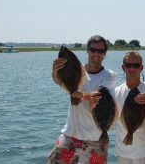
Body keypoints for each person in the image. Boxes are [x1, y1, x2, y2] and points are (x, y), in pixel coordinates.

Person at [47, 35, 117, 164]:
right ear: (87, 50)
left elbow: (100, 96)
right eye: (93, 50)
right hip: (70, 134)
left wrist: (80, 94)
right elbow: (61, 82)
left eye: (100, 51)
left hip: (96, 138)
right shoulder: (76, 69)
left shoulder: (109, 75)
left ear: (105, 54)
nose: (96, 53)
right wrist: (55, 72)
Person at [115, 51, 145, 164]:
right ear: (123, 67)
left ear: (141, 68)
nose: (132, 69)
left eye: (136, 65)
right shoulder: (116, 92)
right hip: (123, 151)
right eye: (128, 65)